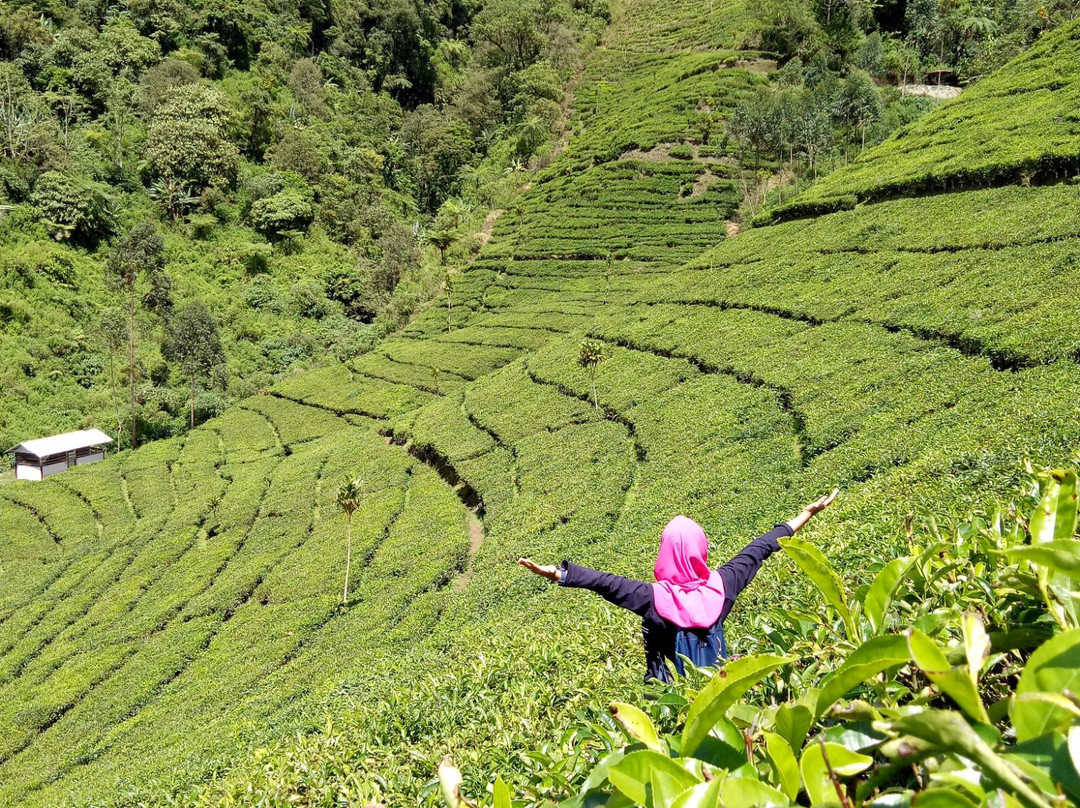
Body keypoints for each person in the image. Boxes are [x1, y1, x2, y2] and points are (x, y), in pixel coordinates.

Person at [518, 490, 838, 682]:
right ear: (702, 548)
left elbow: (605, 583)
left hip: (681, 697)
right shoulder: (722, 586)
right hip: (721, 681)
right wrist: (806, 514)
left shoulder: (653, 599)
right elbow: (760, 548)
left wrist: (557, 574)